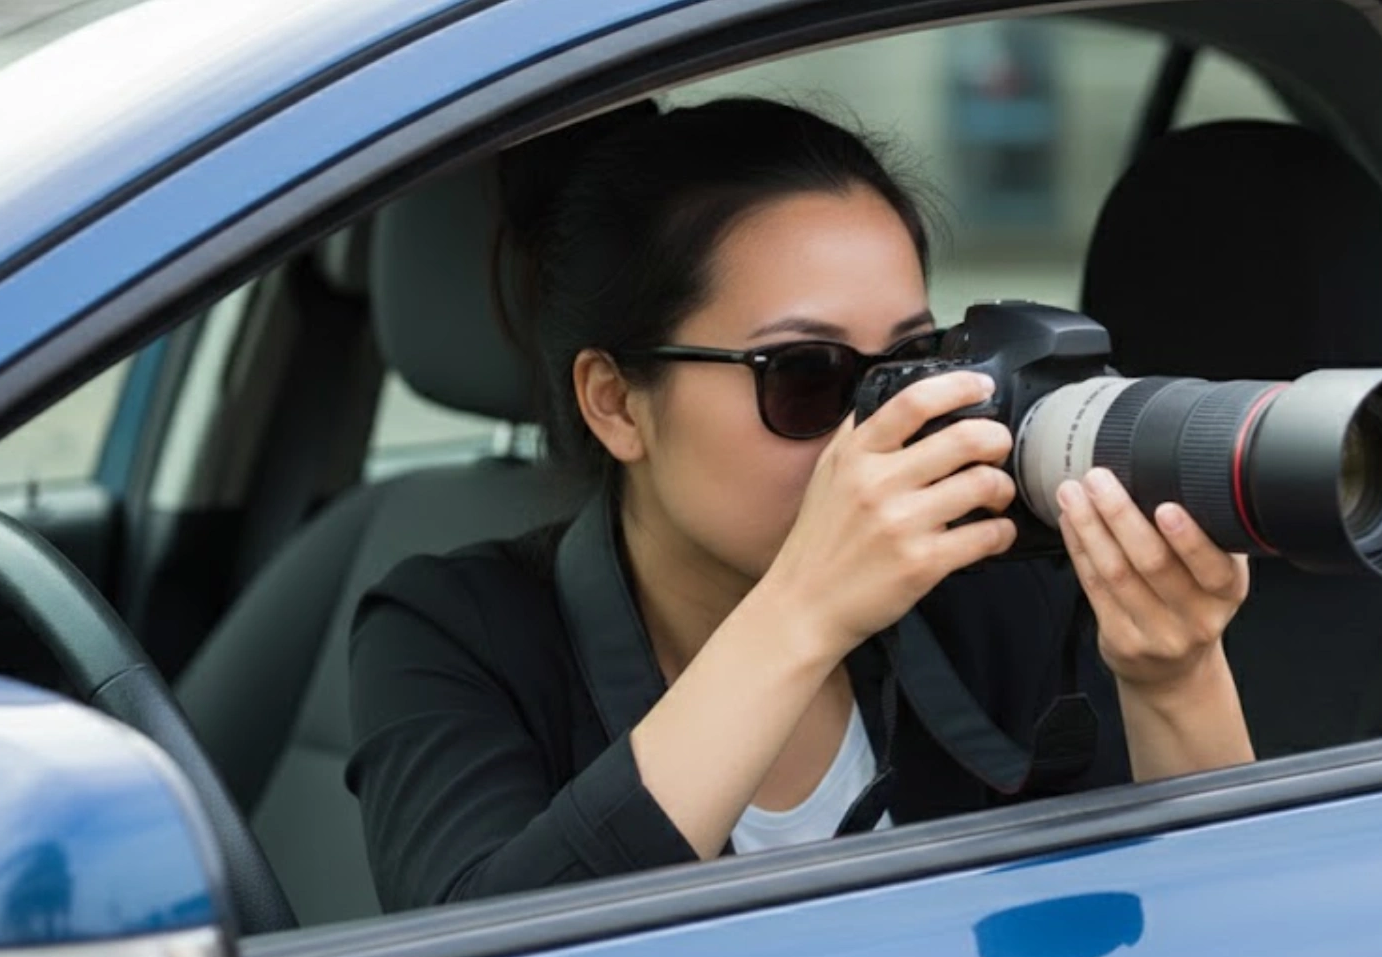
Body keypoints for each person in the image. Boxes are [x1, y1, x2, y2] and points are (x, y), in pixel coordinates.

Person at [346, 97, 1254, 913]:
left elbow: (1215, 950)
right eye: (808, 377)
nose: (877, 429)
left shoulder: (988, 581)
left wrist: (1174, 675)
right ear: (616, 403)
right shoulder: (451, 631)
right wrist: (804, 608)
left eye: (909, 367)